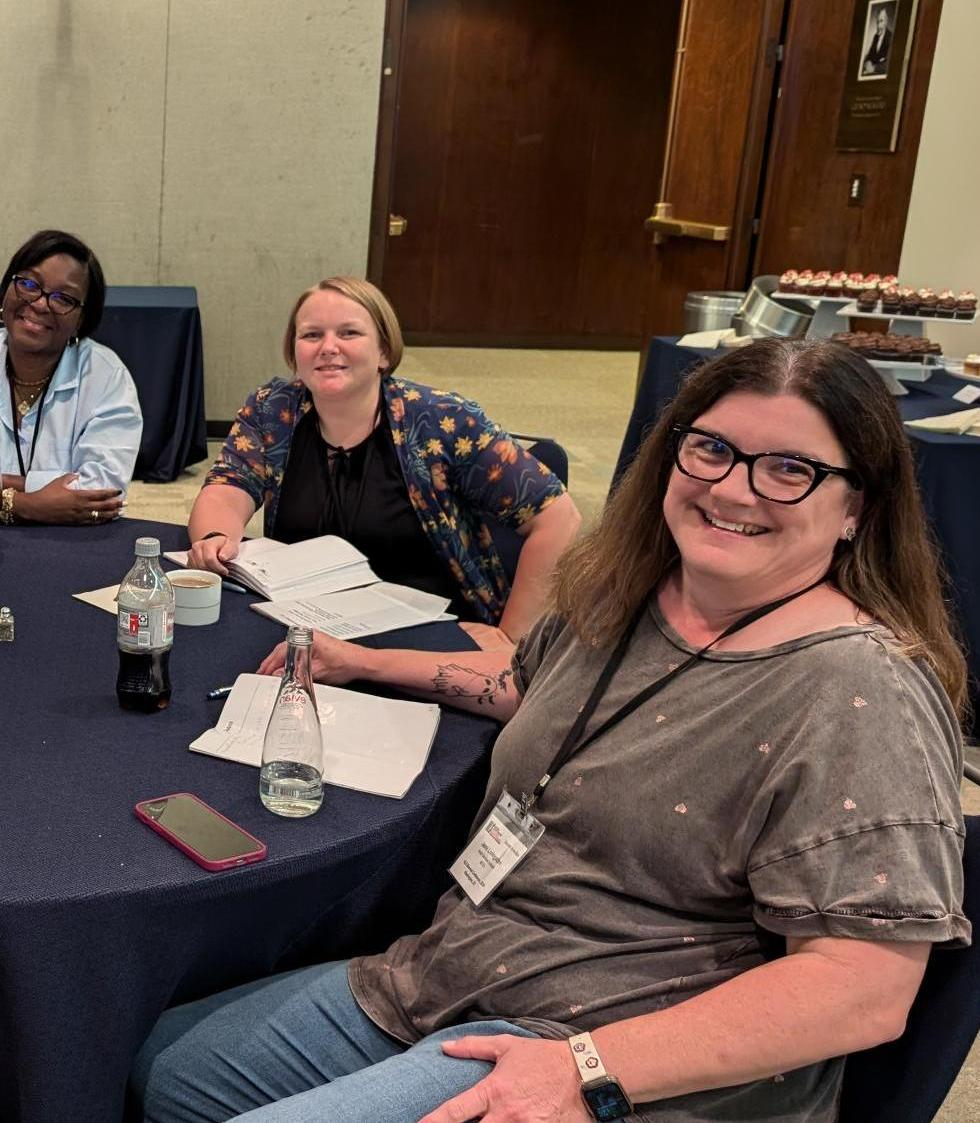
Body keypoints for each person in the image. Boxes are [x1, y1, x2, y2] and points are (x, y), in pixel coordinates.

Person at [133, 339, 968, 1122]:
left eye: (790, 469)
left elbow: (862, 988)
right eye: (711, 448)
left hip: (629, 1043)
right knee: (169, 1072)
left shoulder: (860, 689)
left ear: (857, 506)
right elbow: (526, 691)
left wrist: (588, 1067)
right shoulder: (630, 595)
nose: (734, 488)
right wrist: (365, 661)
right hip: (470, 963)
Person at [186, 277, 579, 640]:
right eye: (311, 335)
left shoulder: (441, 420)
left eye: (349, 333)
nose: (328, 347)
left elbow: (559, 519)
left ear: (384, 352)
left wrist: (509, 640)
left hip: (428, 632)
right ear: (294, 354)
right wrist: (216, 537)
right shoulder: (274, 410)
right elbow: (228, 485)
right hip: (306, 628)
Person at [0, 229, 144, 525]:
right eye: (29, 284)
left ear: (82, 318)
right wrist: (25, 505)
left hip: (67, 548)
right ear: (7, 288)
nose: (41, 304)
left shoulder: (107, 376)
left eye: (63, 298)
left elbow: (100, 494)